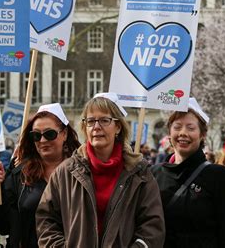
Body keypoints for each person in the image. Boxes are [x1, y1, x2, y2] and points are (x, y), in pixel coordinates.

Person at [36, 92, 165, 247]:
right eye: (90, 121)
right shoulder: (65, 172)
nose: (96, 127)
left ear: (118, 126)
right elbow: (46, 220)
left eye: (104, 120)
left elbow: (152, 226)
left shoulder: (139, 173)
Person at [0, 103, 81, 247]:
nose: (43, 141)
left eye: (50, 134)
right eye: (36, 135)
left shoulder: (81, 173)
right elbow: (3, 225)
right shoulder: (20, 174)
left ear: (64, 133)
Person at [152, 97, 225, 247]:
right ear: (169, 132)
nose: (183, 133)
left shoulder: (218, 176)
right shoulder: (154, 174)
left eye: (191, 128)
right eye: (177, 127)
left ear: (202, 134)